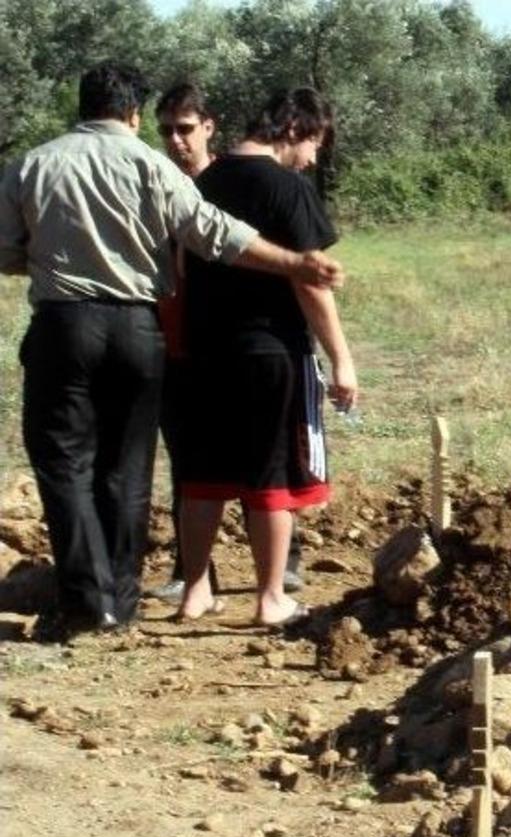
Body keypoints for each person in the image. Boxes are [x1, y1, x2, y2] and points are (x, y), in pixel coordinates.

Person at [0, 62, 345, 641]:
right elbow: (213, 233)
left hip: (64, 325)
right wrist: (293, 262)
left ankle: (88, 598)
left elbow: (5, 250)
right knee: (129, 468)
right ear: (134, 114)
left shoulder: (33, 164)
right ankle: (125, 598)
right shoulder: (154, 167)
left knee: (66, 464)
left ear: (81, 108)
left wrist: (44, 255)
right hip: (139, 329)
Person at [174, 87, 357, 627]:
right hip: (271, 349)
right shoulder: (288, 188)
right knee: (272, 476)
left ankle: (194, 591)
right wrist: (342, 359)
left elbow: (182, 268)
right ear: (296, 129)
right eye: (315, 144)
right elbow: (311, 282)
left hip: (205, 348)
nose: (313, 159)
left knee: (202, 474)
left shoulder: (205, 180)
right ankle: (271, 597)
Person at [145, 82, 307, 604]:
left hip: (243, 341)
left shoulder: (229, 182)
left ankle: (286, 563)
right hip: (185, 344)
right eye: (166, 129)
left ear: (209, 127)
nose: (175, 140)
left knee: (267, 456)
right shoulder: (158, 185)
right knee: (194, 462)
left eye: (184, 128)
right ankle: (193, 573)